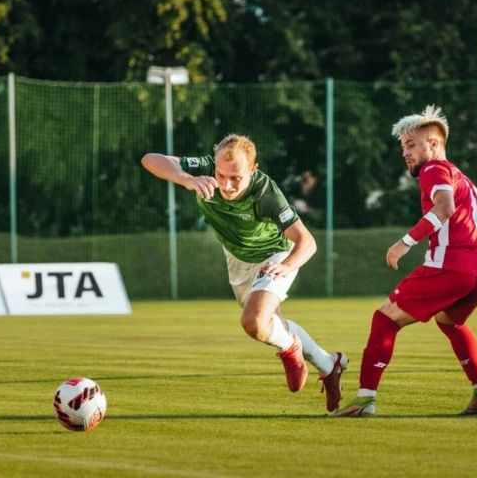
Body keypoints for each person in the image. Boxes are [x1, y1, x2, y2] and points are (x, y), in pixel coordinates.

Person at [141, 134, 347, 413]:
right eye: (221, 175)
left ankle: (290, 352)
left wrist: (286, 266)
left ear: (253, 169)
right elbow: (150, 160)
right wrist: (186, 179)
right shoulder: (202, 168)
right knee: (265, 327)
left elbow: (307, 242)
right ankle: (328, 364)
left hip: (275, 256)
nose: (226, 185)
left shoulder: (265, 193)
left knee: (253, 321)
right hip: (237, 260)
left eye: (236, 177)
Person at [333, 105, 477, 417]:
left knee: (384, 319)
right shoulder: (467, 183)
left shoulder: (434, 170)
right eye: (403, 147)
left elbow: (444, 208)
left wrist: (404, 242)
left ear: (434, 144)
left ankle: (365, 400)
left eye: (411, 145)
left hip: (451, 266)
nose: (406, 153)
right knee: (449, 321)